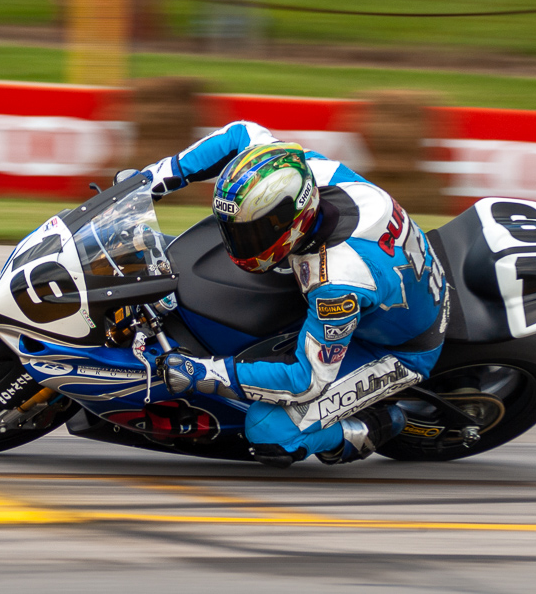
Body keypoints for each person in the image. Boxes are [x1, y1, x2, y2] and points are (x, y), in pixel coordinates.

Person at [146, 121, 448, 468]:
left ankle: (374, 426)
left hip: (399, 347)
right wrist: (153, 179)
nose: (237, 242)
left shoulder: (336, 283)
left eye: (252, 233)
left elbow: (306, 381)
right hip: (395, 278)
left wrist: (208, 375)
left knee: (268, 430)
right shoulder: (304, 171)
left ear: (292, 223)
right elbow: (241, 134)